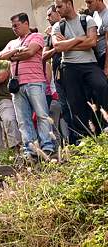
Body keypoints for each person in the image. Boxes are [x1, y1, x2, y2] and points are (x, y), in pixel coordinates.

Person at [0, 13, 58, 159]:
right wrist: (17, 51)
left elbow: (30, 51)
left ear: (26, 23)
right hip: (17, 86)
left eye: (16, 25)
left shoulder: (36, 36)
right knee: (23, 120)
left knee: (42, 115)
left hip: (35, 82)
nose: (14, 29)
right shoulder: (12, 42)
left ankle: (47, 146)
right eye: (12, 26)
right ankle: (30, 149)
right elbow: (1, 56)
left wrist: (12, 56)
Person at [52, 0, 108, 140]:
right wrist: (78, 39)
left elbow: (92, 42)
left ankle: (105, 124)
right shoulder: (57, 27)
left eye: (59, 6)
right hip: (69, 67)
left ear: (69, 4)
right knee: (75, 102)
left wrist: (68, 43)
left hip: (90, 64)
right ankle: (85, 137)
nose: (57, 10)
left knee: (102, 86)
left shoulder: (87, 19)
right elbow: (57, 47)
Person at [44, 3, 75, 143]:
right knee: (65, 107)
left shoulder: (70, 25)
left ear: (57, 12)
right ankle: (74, 140)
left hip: (74, 68)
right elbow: (44, 55)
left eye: (50, 14)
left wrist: (64, 43)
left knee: (77, 103)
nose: (47, 18)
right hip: (58, 73)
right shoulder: (50, 34)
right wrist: (58, 46)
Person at [85, 0, 108, 69]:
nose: (87, 5)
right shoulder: (95, 13)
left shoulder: (107, 15)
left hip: (104, 56)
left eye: (90, 2)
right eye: (86, 2)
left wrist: (106, 67)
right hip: (97, 56)